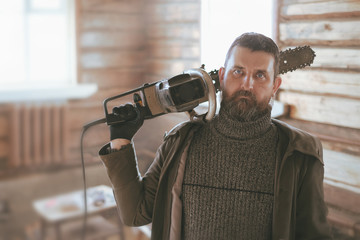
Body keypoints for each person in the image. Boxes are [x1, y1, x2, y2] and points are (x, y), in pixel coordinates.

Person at [99, 32, 333, 240]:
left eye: (260, 75)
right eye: (238, 72)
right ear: (222, 76)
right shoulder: (182, 141)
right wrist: (121, 139)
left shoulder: (299, 152)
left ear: (275, 85)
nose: (247, 85)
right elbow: (136, 213)